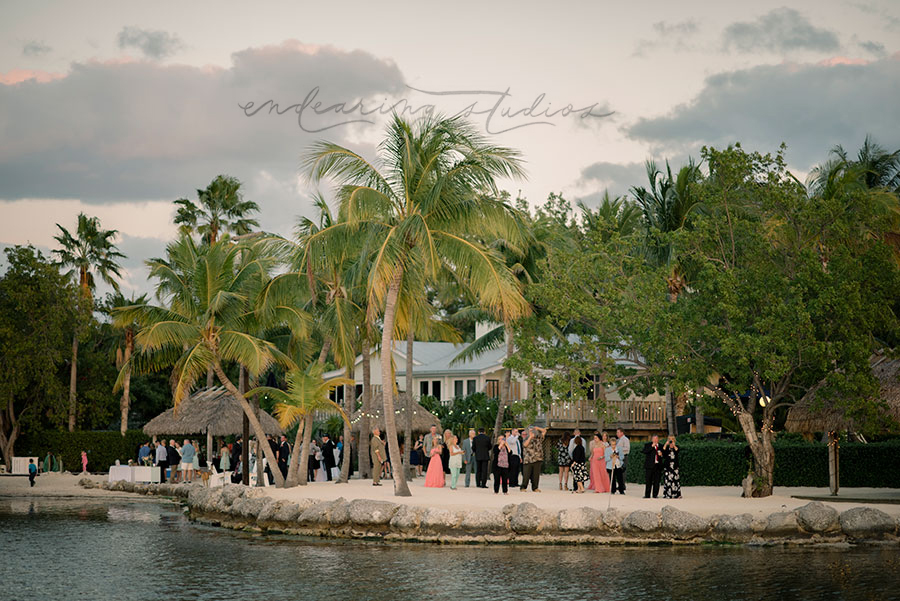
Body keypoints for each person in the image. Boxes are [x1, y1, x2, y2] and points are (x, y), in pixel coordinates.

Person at [520, 425, 546, 492]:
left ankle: (535, 487)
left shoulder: (539, 438)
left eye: (533, 431)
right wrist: (530, 437)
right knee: (526, 474)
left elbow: (544, 431)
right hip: (528, 459)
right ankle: (523, 487)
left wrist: (538, 428)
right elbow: (525, 445)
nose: (532, 432)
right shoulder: (526, 438)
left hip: (538, 458)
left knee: (536, 475)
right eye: (530, 431)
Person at [643, 434, 663, 498]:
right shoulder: (648, 445)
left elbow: (665, 454)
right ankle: (647, 495)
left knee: (657, 481)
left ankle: (655, 495)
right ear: (652, 439)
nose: (655, 440)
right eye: (654, 439)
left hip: (658, 465)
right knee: (648, 481)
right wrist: (652, 446)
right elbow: (645, 451)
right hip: (649, 466)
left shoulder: (661, 446)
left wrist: (661, 454)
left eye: (656, 439)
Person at [616, 428, 630, 494]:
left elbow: (627, 448)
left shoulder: (625, 439)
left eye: (618, 432)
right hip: (618, 457)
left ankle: (623, 485)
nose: (617, 434)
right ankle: (620, 485)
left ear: (622, 433)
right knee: (619, 471)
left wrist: (619, 449)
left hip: (624, 456)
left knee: (623, 471)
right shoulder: (618, 440)